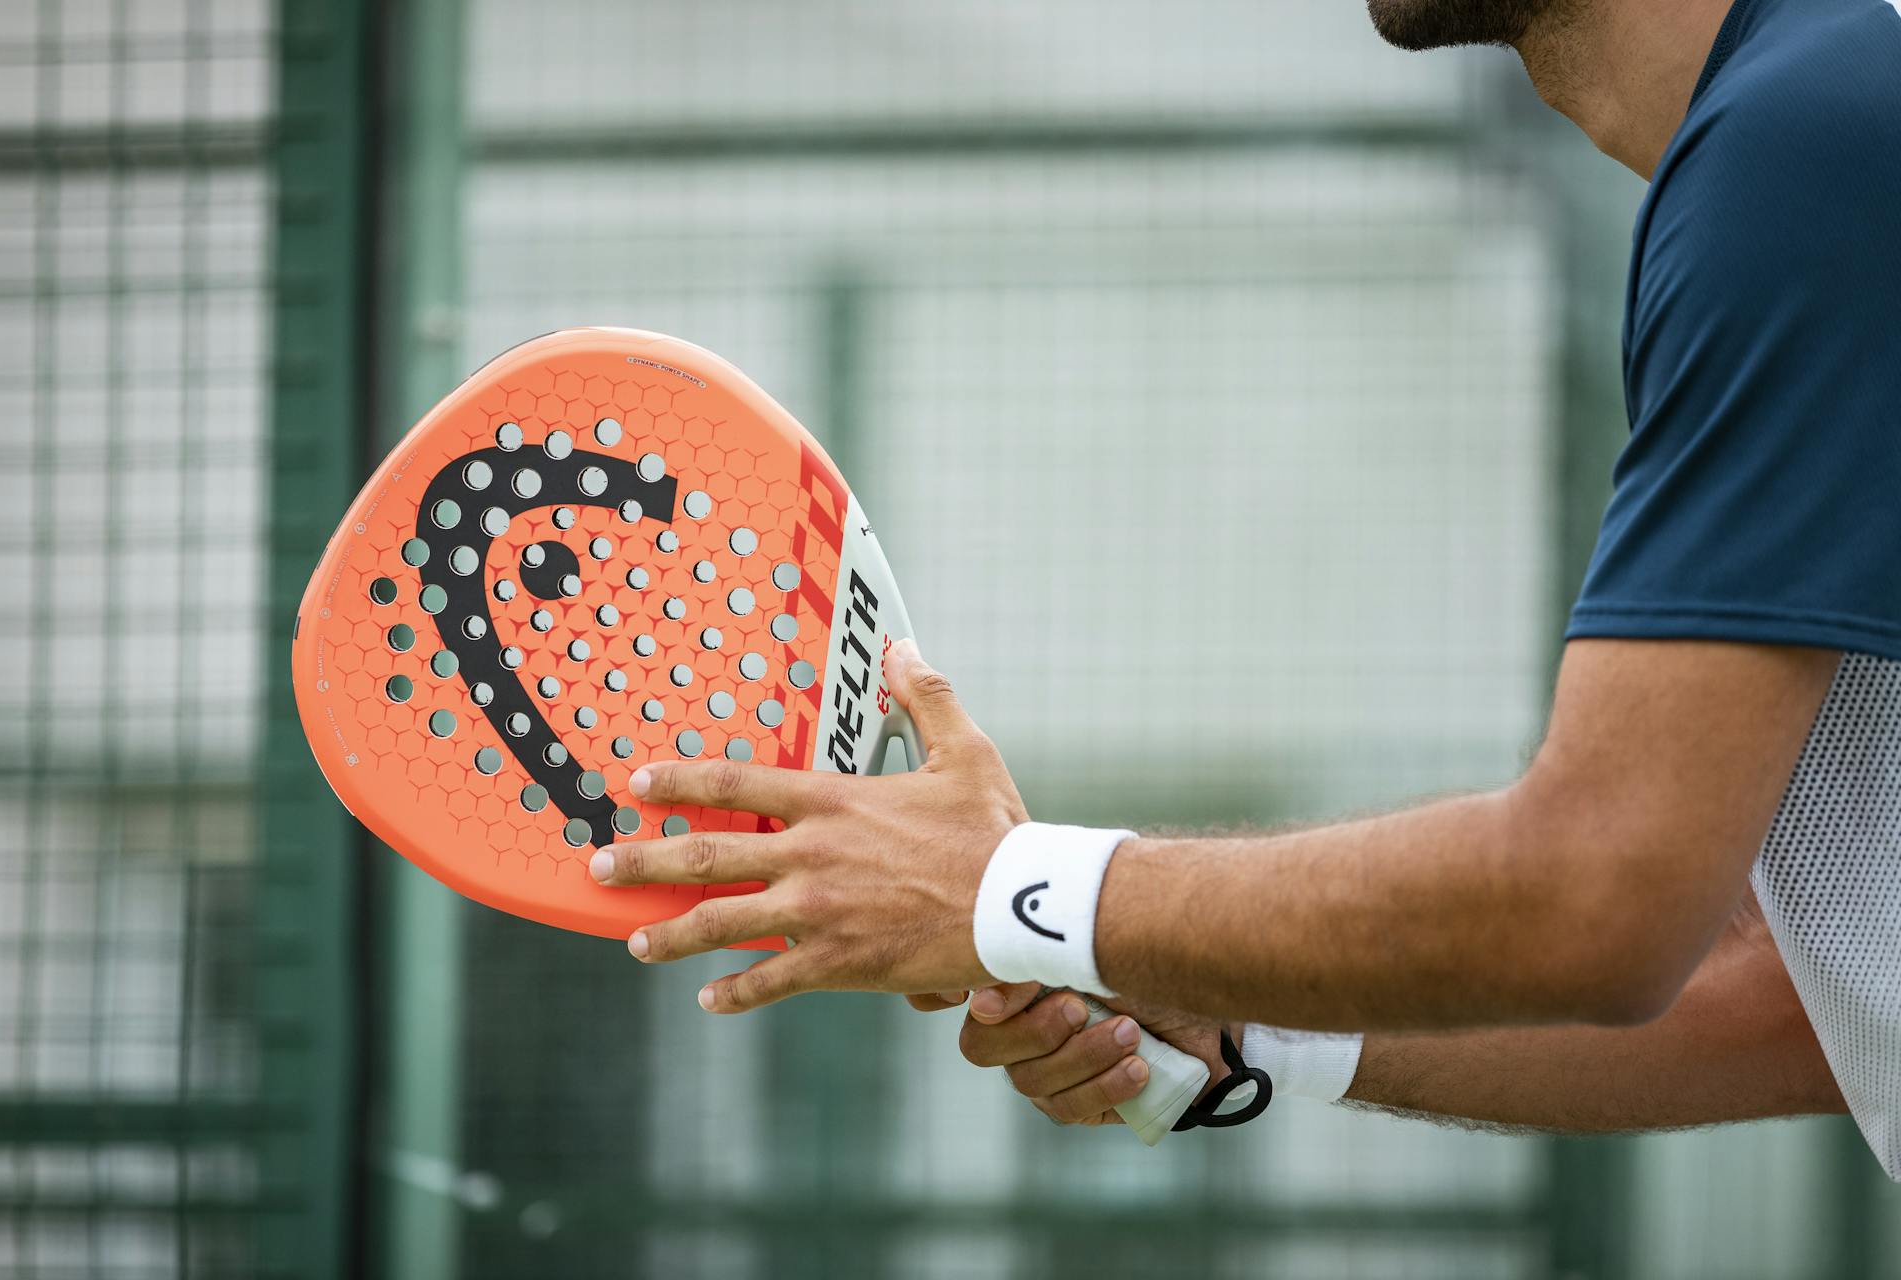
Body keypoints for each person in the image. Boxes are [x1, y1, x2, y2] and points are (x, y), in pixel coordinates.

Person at [584, 0, 1901, 1175]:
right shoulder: (1819, 121)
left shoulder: (1808, 140)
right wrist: (1219, 999)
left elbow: (1604, 894)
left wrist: (1009, 890)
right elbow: (1806, 1001)